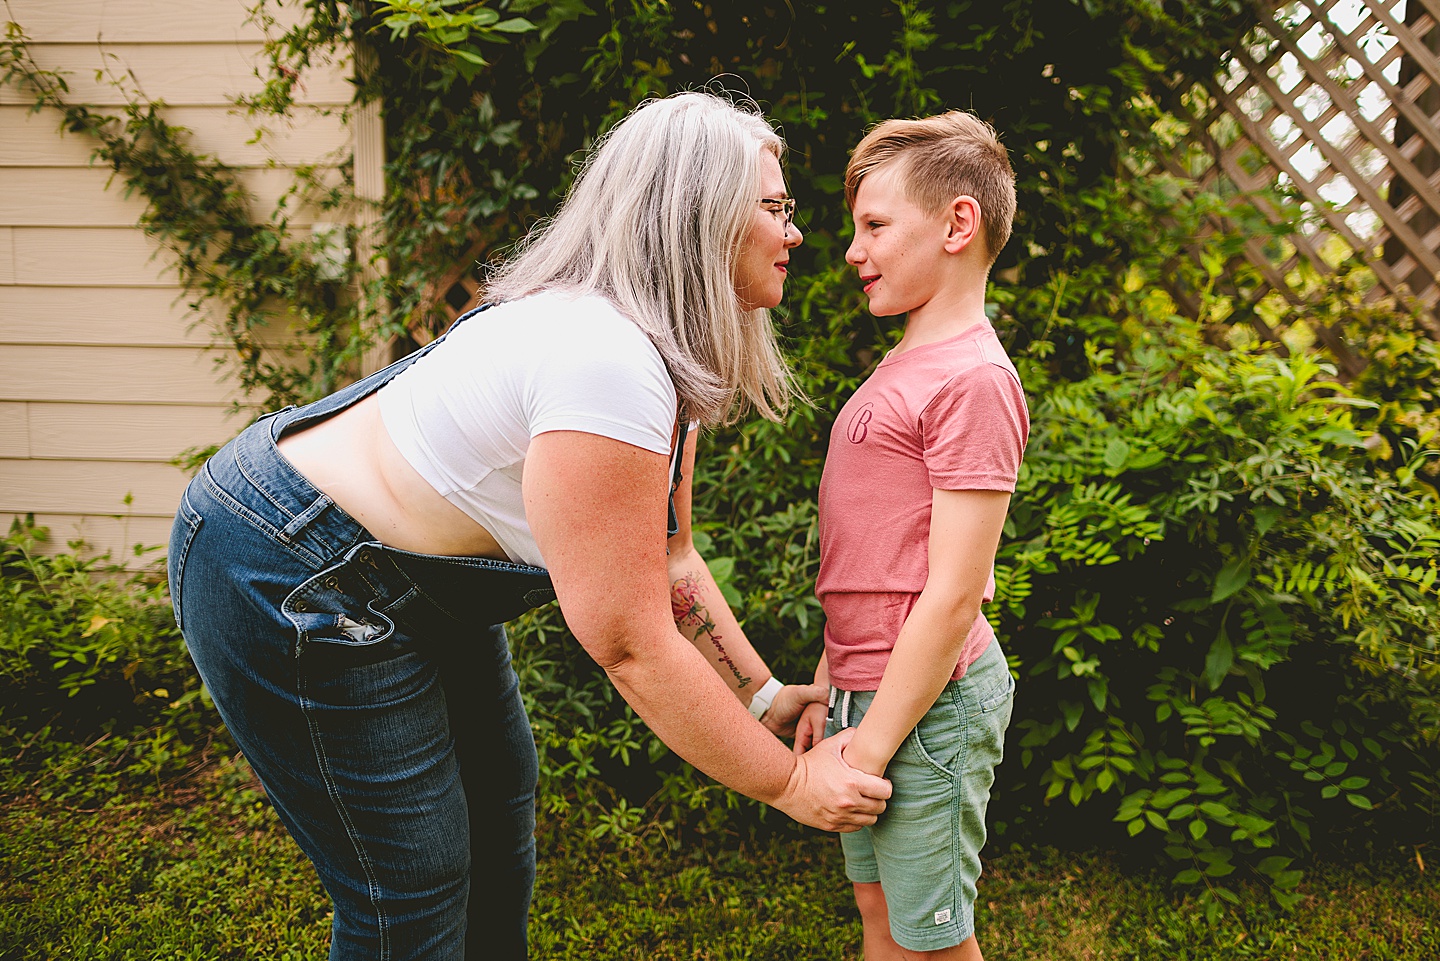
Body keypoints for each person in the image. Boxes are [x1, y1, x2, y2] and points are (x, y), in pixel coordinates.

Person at [167, 90, 892, 961]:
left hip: (407, 580)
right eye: (775, 208)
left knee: (499, 800)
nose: (796, 233)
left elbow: (669, 558)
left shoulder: (660, 351)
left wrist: (765, 697)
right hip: (290, 566)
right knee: (408, 884)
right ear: (699, 216)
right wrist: (789, 783)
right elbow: (628, 642)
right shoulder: (606, 360)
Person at [792, 110, 1028, 960]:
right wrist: (832, 690)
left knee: (932, 940)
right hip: (871, 691)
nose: (853, 250)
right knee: (880, 914)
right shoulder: (909, 362)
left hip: (929, 705)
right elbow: (872, 561)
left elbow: (955, 588)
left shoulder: (972, 379)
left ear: (958, 223)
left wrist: (878, 740)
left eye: (875, 225)